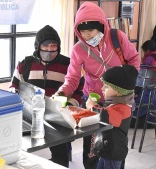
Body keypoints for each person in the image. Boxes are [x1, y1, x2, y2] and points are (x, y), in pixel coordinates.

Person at [55, 2, 140, 169]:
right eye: (83, 32)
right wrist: (62, 92)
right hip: (92, 100)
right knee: (92, 147)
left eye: (90, 31)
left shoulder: (117, 38)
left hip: (118, 101)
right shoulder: (78, 49)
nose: (87, 36)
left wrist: (127, 84)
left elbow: (134, 60)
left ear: (101, 27)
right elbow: (72, 78)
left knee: (114, 143)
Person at [10, 25, 84, 167]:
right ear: (38, 47)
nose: (50, 50)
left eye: (53, 46)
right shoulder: (25, 64)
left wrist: (71, 104)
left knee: (60, 156)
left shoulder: (68, 65)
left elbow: (80, 88)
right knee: (21, 152)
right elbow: (14, 86)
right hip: (31, 116)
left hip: (58, 117)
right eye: (45, 46)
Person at [86, 65, 138, 169]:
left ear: (119, 91)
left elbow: (105, 117)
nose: (102, 89)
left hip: (114, 153)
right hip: (106, 148)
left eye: (106, 87)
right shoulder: (116, 102)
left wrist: (92, 107)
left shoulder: (124, 108)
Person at [131, 40, 156, 129]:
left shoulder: (148, 59)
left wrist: (135, 91)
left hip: (147, 92)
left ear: (148, 50)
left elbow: (142, 79)